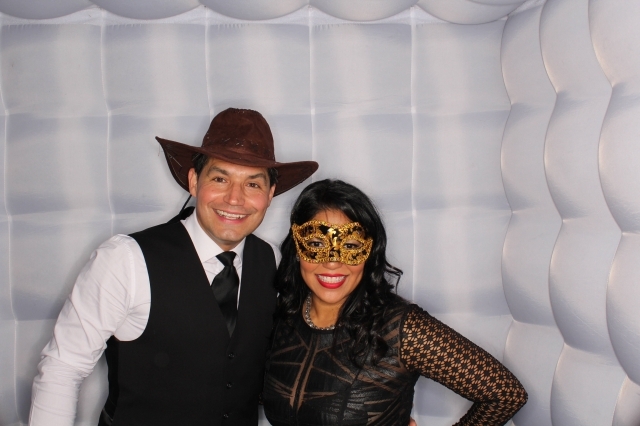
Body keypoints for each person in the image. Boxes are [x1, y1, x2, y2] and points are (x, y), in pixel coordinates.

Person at [29, 108, 318, 426]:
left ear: (270, 194)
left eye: (252, 184)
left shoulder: (271, 260)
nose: (235, 198)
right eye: (220, 179)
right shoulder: (125, 259)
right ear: (194, 181)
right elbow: (62, 368)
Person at [262, 179, 528, 426]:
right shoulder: (282, 316)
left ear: (370, 251)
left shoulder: (400, 329)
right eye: (317, 244)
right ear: (297, 249)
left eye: (351, 246)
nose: (332, 262)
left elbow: (505, 394)